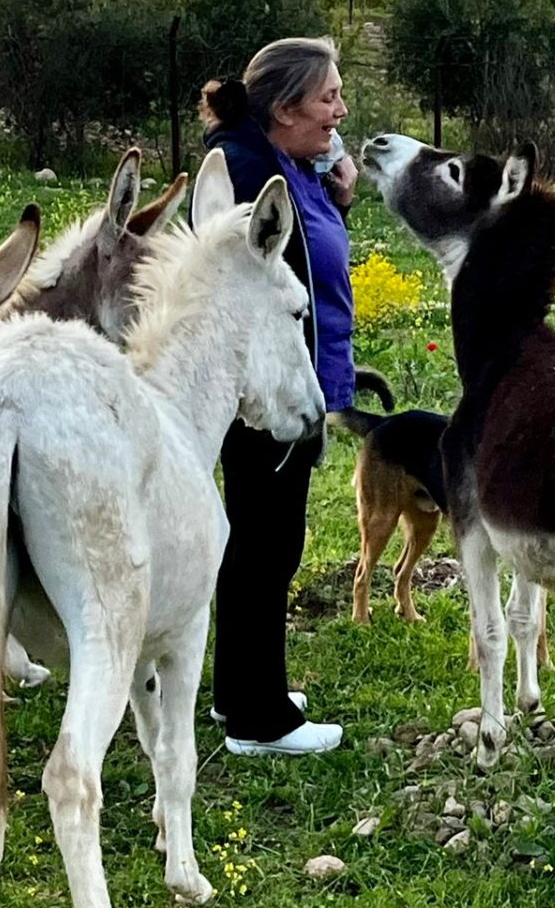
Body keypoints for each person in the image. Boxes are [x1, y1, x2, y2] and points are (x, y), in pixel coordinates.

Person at [197, 37, 357, 757]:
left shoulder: (277, 160)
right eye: (328, 98)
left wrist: (332, 179)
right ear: (285, 107)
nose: (340, 112)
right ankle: (259, 721)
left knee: (261, 540)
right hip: (264, 392)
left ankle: (243, 689)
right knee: (266, 545)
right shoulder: (251, 172)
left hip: (286, 383)